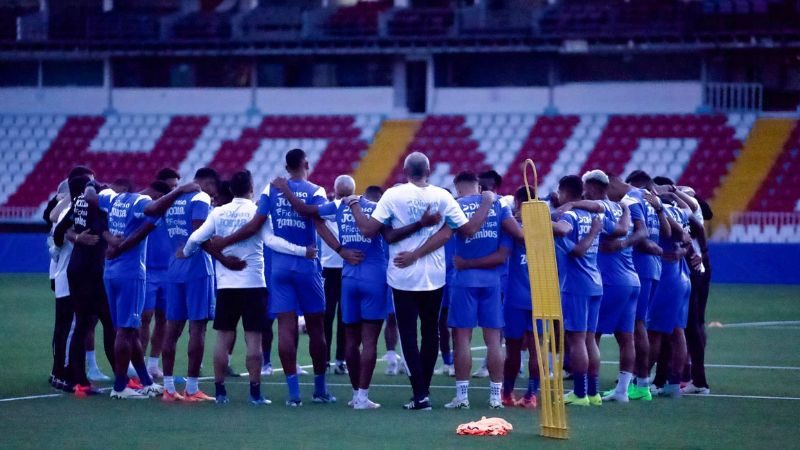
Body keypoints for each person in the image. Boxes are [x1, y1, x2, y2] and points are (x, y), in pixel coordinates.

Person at [347, 152, 495, 410]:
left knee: (408, 336)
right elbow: (469, 229)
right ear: (429, 171)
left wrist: (354, 205)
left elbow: (370, 230)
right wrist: (487, 201)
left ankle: (420, 395)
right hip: (435, 276)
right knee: (431, 333)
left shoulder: (393, 195)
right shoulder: (443, 195)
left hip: (402, 274)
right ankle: (423, 392)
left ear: (405, 171)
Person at [207, 149, 339, 406]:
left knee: (286, 329)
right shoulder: (316, 191)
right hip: (307, 265)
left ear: (286, 166)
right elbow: (320, 218)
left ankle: (293, 395)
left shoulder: (271, 191)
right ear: (306, 164)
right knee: (316, 328)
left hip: (278, 268)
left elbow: (256, 224)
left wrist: (224, 242)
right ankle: (320, 389)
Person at [182, 170, 311, 405]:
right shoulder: (256, 212)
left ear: (230, 190)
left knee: (222, 339)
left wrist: (186, 253)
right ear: (252, 189)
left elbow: (195, 238)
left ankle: (220, 393)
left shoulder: (218, 212)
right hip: (253, 283)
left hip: (226, 285)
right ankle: (255, 394)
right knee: (254, 341)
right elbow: (272, 242)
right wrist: (301, 251)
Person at [93, 177, 197, 399]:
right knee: (125, 329)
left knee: (129, 328)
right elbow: (153, 207)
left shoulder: (113, 199)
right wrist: (179, 191)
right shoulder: (141, 202)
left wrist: (108, 238)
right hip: (131, 273)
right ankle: (121, 386)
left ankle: (145, 380)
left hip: (111, 272)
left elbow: (90, 198)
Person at [160, 168, 235, 402]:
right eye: (214, 187)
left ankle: (168, 387)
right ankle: (192, 388)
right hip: (197, 270)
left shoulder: (172, 199)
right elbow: (199, 235)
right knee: (197, 328)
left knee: (172, 328)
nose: (214, 194)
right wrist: (223, 258)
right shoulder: (200, 197)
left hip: (174, 267)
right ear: (207, 182)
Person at [444, 171, 517, 410]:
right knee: (494, 341)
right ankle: (496, 397)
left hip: (464, 279)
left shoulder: (456, 205)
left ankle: (462, 397)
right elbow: (509, 242)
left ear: (458, 187)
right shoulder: (500, 205)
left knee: (462, 338)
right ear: (478, 185)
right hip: (492, 281)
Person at [581, 170, 644, 403]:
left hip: (610, 280)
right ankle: (622, 391)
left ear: (595, 189)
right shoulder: (621, 208)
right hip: (631, 279)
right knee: (626, 337)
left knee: (591, 335)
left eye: (586, 188)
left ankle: (588, 390)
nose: (584, 193)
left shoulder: (600, 206)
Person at [607, 171, 670, 401]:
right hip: (652, 268)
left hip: (639, 267)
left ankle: (640, 383)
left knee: (636, 327)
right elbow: (665, 231)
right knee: (638, 326)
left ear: (613, 182)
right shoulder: (648, 197)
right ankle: (639, 383)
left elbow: (641, 232)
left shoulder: (630, 200)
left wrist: (625, 243)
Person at [52, 175, 117, 396]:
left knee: (85, 324)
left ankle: (77, 377)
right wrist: (79, 238)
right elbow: (58, 230)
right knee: (99, 323)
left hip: (80, 270)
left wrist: (76, 237)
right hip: (88, 272)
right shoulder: (92, 204)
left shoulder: (78, 206)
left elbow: (58, 228)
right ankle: (115, 378)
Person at [552, 175, 604, 407]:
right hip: (595, 281)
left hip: (576, 285)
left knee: (577, 340)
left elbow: (562, 229)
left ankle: (580, 394)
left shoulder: (571, 215)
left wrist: (539, 220)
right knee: (590, 339)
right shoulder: (592, 214)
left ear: (563, 192)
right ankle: (594, 393)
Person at [645, 192, 694, 398]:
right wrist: (671, 192)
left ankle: (642, 381)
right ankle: (674, 384)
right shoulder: (680, 213)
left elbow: (677, 237)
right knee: (677, 331)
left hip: (667, 277)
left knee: (654, 332)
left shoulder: (660, 214)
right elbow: (691, 214)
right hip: (682, 275)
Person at [501, 186, 542, 408]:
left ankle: (507, 393)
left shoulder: (512, 228)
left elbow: (502, 254)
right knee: (538, 348)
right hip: (542, 295)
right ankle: (531, 395)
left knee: (513, 348)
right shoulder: (548, 227)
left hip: (516, 297)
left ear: (517, 202)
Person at [141, 169, 180, 380]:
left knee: (164, 318)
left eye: (176, 186)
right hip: (147, 269)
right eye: (171, 186)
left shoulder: (177, 208)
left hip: (169, 270)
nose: (173, 190)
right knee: (145, 316)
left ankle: (153, 364)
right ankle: (136, 364)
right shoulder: (144, 203)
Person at [320, 179, 347, 376]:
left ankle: (327, 360)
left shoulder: (324, 210)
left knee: (328, 316)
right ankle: (339, 360)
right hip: (345, 268)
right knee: (342, 317)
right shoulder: (357, 210)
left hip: (330, 269)